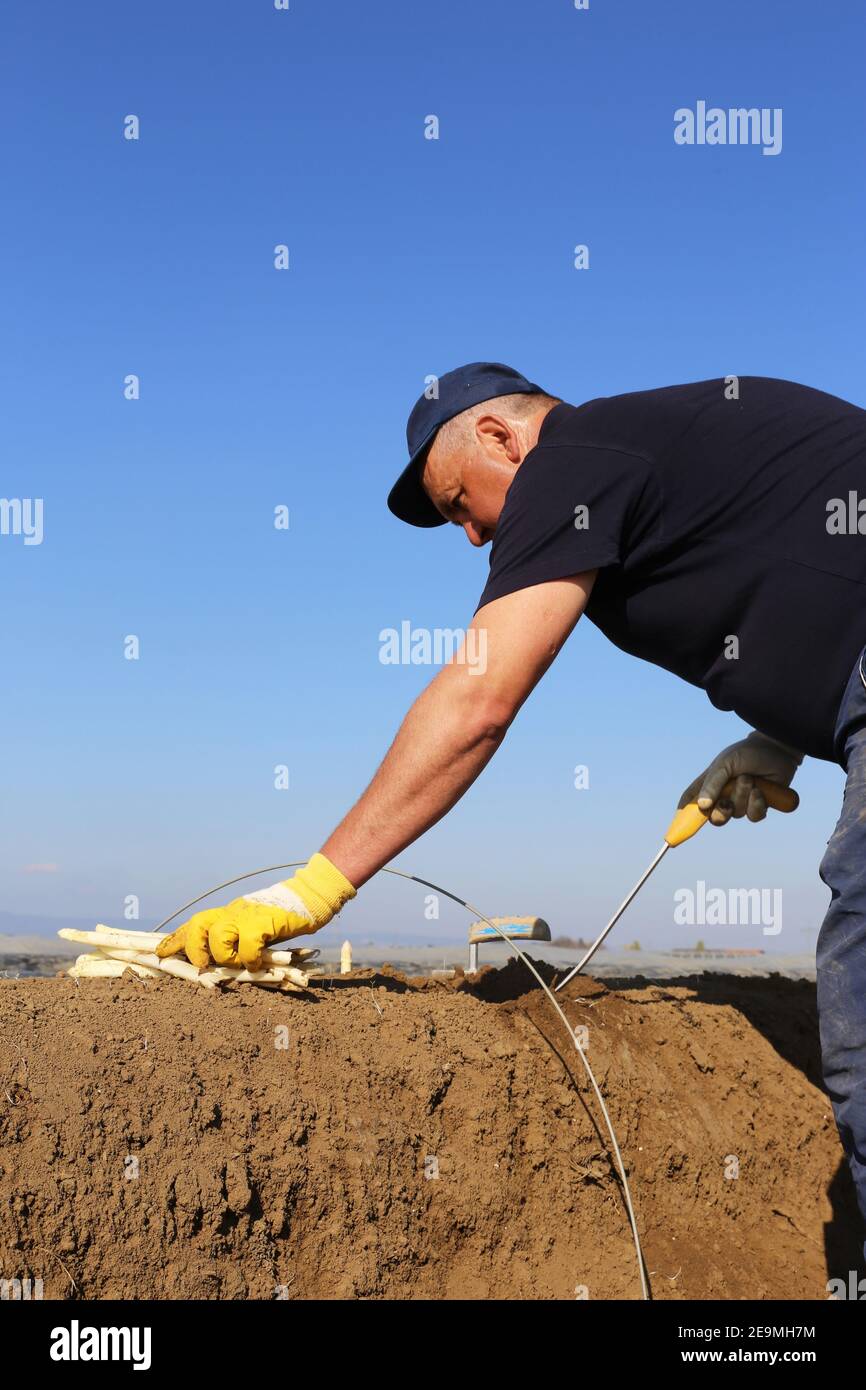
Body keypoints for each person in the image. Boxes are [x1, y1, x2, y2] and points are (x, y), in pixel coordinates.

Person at [157, 361, 866, 1236]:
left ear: (501, 437)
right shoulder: (647, 446)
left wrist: (314, 888)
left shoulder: (571, 462)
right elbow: (811, 558)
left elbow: (478, 702)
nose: (470, 536)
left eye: (460, 503)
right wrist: (783, 735)